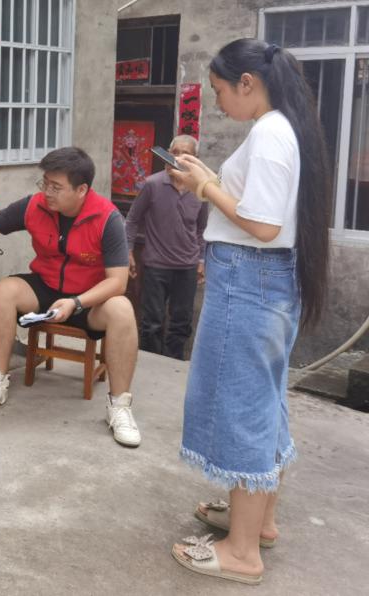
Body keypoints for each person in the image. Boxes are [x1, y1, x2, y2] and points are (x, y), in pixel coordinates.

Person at [168, 39, 331, 585]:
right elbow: (263, 210)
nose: (217, 102)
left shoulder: (268, 135)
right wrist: (210, 181)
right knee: (264, 400)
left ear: (247, 83)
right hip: (266, 278)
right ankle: (258, 523)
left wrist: (205, 186)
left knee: (240, 405)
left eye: (219, 91)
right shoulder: (284, 128)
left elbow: (261, 224)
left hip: (249, 278)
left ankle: (240, 553)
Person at [0, 147, 141, 448]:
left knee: (122, 309)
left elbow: (117, 281)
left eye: (56, 187)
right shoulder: (35, 206)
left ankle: (120, 406)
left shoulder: (107, 218)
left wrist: (76, 302)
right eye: (45, 183)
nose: (47, 192)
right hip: (46, 287)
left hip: (88, 298)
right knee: (4, 291)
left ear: (81, 190)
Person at [125, 134, 209, 360]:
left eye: (186, 154)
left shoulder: (200, 190)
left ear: (195, 159)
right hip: (156, 265)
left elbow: (202, 229)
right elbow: (132, 220)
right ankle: (152, 363)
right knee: (152, 322)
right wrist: (128, 251)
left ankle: (174, 364)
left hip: (187, 266)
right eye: (175, 152)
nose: (178, 158)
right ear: (167, 154)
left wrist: (202, 260)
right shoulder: (153, 184)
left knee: (181, 322)